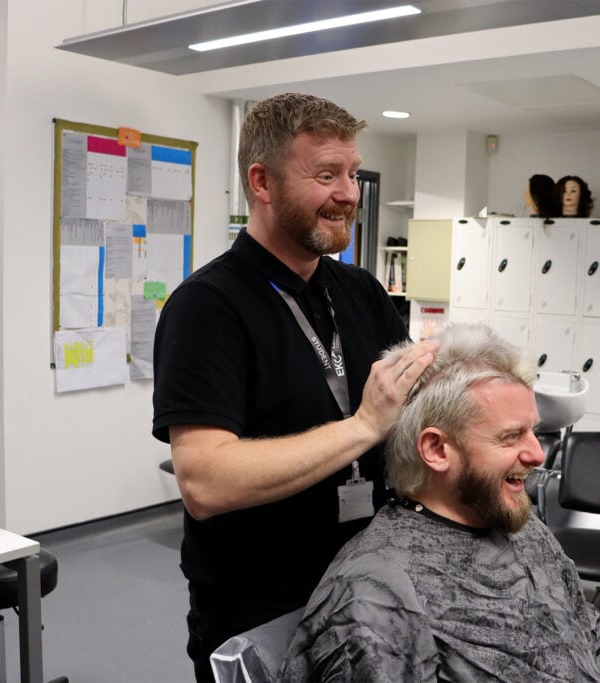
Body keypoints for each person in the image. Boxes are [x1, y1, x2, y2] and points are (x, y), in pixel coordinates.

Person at [151, 92, 437, 681]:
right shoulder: (208, 307)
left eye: (353, 173)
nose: (349, 193)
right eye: (326, 174)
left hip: (368, 592)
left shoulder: (361, 292)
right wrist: (361, 426)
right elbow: (204, 480)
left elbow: (415, 415)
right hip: (261, 612)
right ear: (262, 181)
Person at [278, 323, 600, 683]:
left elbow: (594, 644)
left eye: (534, 432)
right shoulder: (378, 596)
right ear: (436, 450)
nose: (538, 454)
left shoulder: (526, 531)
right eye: (511, 437)